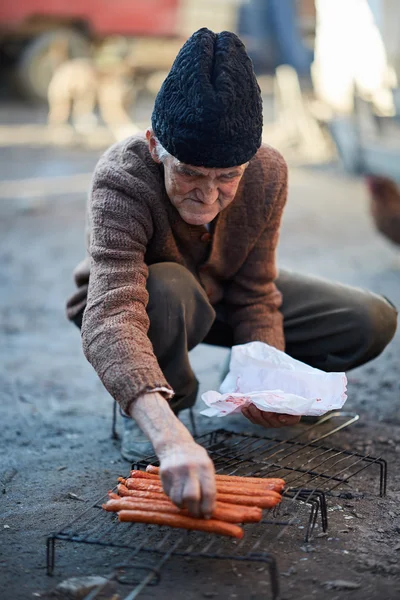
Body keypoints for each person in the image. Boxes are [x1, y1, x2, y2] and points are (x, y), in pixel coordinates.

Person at [66, 28, 397, 518]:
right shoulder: (122, 176)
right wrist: (168, 435)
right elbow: (113, 311)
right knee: (170, 286)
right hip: (147, 299)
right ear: (157, 146)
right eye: (191, 174)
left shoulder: (267, 171)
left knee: (370, 318)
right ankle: (171, 412)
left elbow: (257, 288)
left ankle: (233, 383)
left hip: (217, 293)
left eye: (227, 178)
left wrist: (264, 373)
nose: (208, 197)